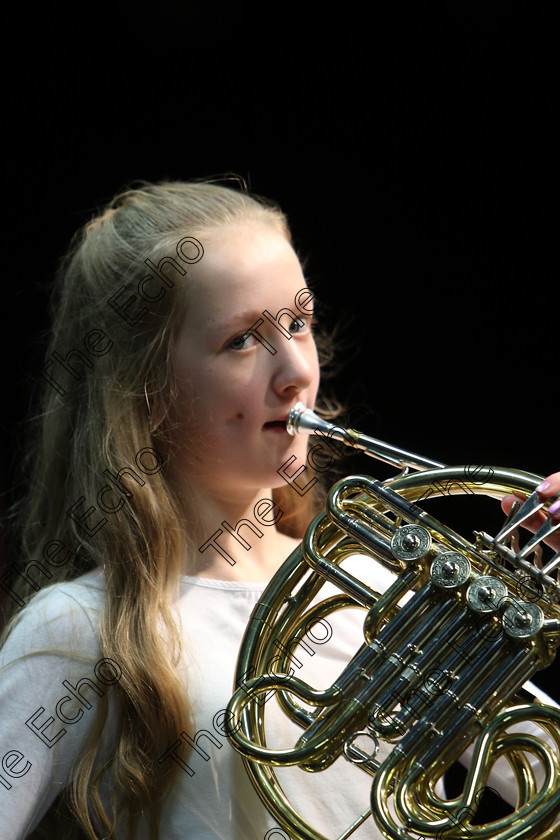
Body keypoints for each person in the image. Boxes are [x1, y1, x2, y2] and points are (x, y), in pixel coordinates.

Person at [0, 178, 558, 840]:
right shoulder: (80, 630)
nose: (296, 369)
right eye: (241, 340)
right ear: (145, 390)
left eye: (299, 323)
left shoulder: (389, 591)